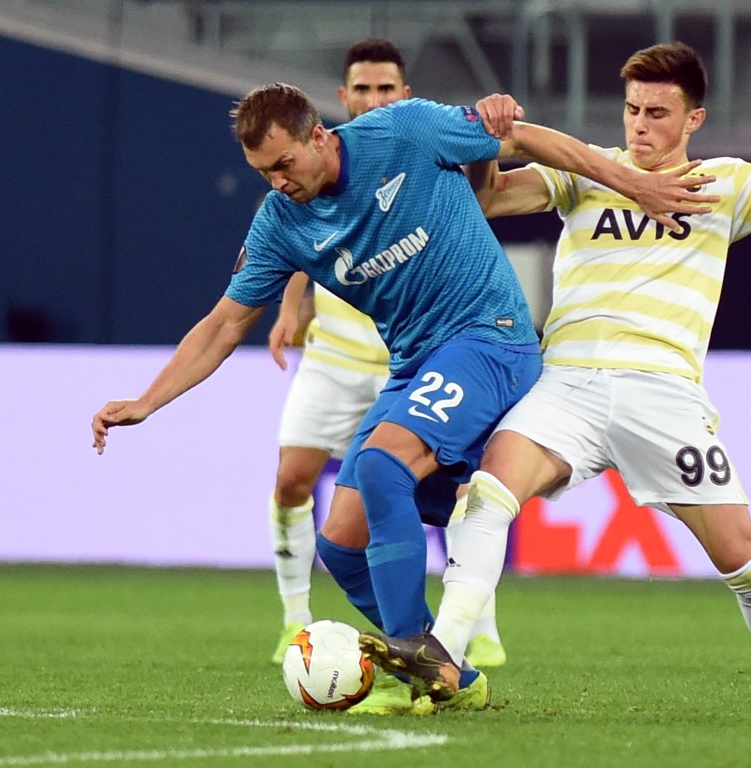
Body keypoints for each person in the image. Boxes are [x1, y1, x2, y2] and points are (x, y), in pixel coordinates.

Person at [91, 80, 716, 714]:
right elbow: (225, 324)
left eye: (284, 164)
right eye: (263, 172)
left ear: (318, 136)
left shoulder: (403, 132)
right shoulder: (281, 222)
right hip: (415, 365)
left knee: (382, 467)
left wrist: (631, 184)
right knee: (340, 543)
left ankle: (418, 656)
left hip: (489, 337)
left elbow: (519, 138)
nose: (278, 182)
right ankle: (451, 674)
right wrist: (147, 401)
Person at [359, 39, 751, 719]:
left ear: (694, 119)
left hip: (662, 393)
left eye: (658, 113)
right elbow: (485, 199)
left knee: (742, 558)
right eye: (632, 109)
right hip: (567, 383)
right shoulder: (587, 172)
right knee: (487, 494)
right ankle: (443, 655)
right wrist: (487, 142)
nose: (640, 125)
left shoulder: (723, 185)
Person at [265, 38, 508, 676]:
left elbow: (485, 187)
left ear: (403, 93)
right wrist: (291, 308)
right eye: (362, 89)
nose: (373, 99)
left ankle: (470, 629)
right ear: (342, 98)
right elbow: (305, 246)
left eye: (385, 89)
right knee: (299, 487)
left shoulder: (410, 141)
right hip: (338, 358)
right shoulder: (304, 179)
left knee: (429, 484)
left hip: (425, 352)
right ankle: (296, 615)